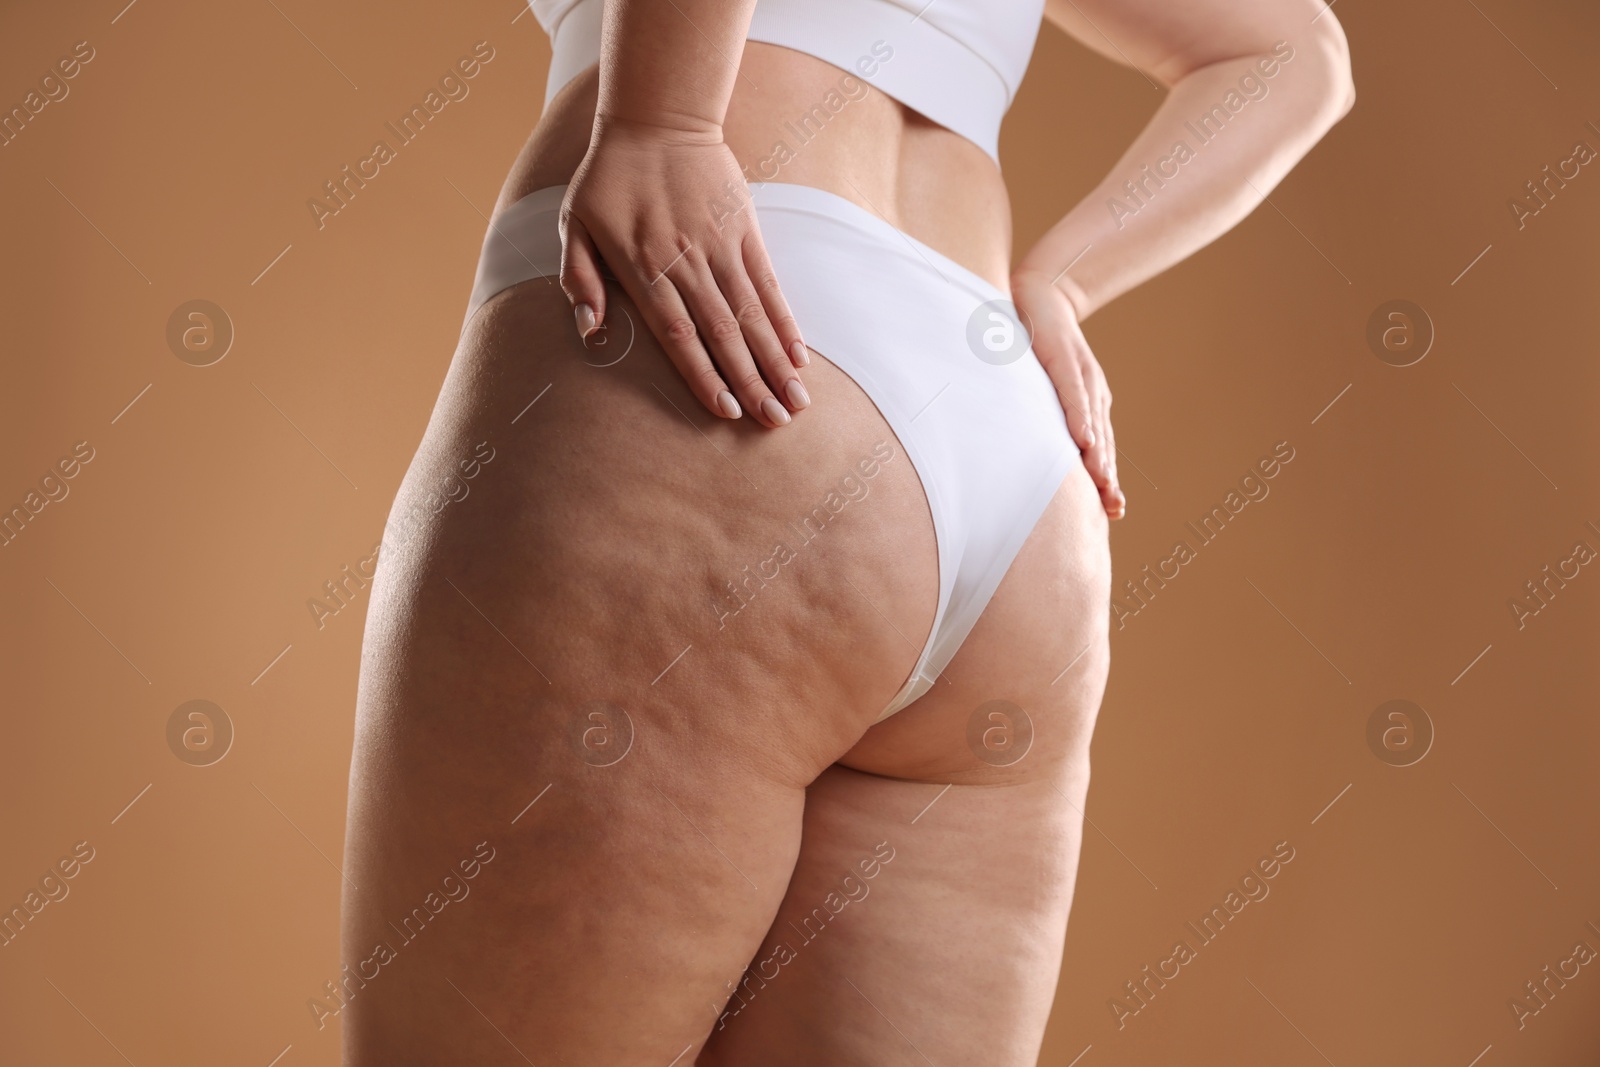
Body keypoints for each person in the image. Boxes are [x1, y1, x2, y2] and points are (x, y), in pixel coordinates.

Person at [339, 0, 1353, 1062]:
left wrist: (661, 122)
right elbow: (1293, 53)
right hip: (1003, 445)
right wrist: (1063, 280)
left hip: (718, 343)